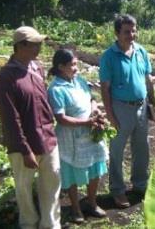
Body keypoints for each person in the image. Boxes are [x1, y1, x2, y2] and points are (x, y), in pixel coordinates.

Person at [0, 26, 61, 229]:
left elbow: (43, 102)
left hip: (47, 136)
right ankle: (28, 223)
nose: (39, 47)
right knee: (24, 187)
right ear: (20, 46)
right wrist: (25, 149)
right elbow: (10, 120)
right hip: (24, 144)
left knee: (52, 182)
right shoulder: (5, 78)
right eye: (34, 44)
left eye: (40, 43)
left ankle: (50, 224)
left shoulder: (36, 67)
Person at [47, 49, 107, 223]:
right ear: (60, 67)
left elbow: (91, 98)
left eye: (76, 63)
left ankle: (92, 203)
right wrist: (86, 123)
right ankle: (75, 208)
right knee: (72, 172)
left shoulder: (79, 81)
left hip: (91, 131)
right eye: (72, 64)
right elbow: (61, 118)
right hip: (71, 137)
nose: (76, 68)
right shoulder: (56, 89)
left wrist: (95, 110)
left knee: (96, 165)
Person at [99, 14, 153, 208]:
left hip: (141, 105)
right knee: (117, 150)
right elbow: (105, 88)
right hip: (120, 107)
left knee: (142, 148)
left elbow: (147, 80)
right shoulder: (108, 56)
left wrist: (152, 105)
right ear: (117, 33)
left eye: (134, 30)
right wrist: (110, 115)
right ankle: (118, 190)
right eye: (127, 31)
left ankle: (140, 184)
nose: (131, 35)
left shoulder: (141, 51)